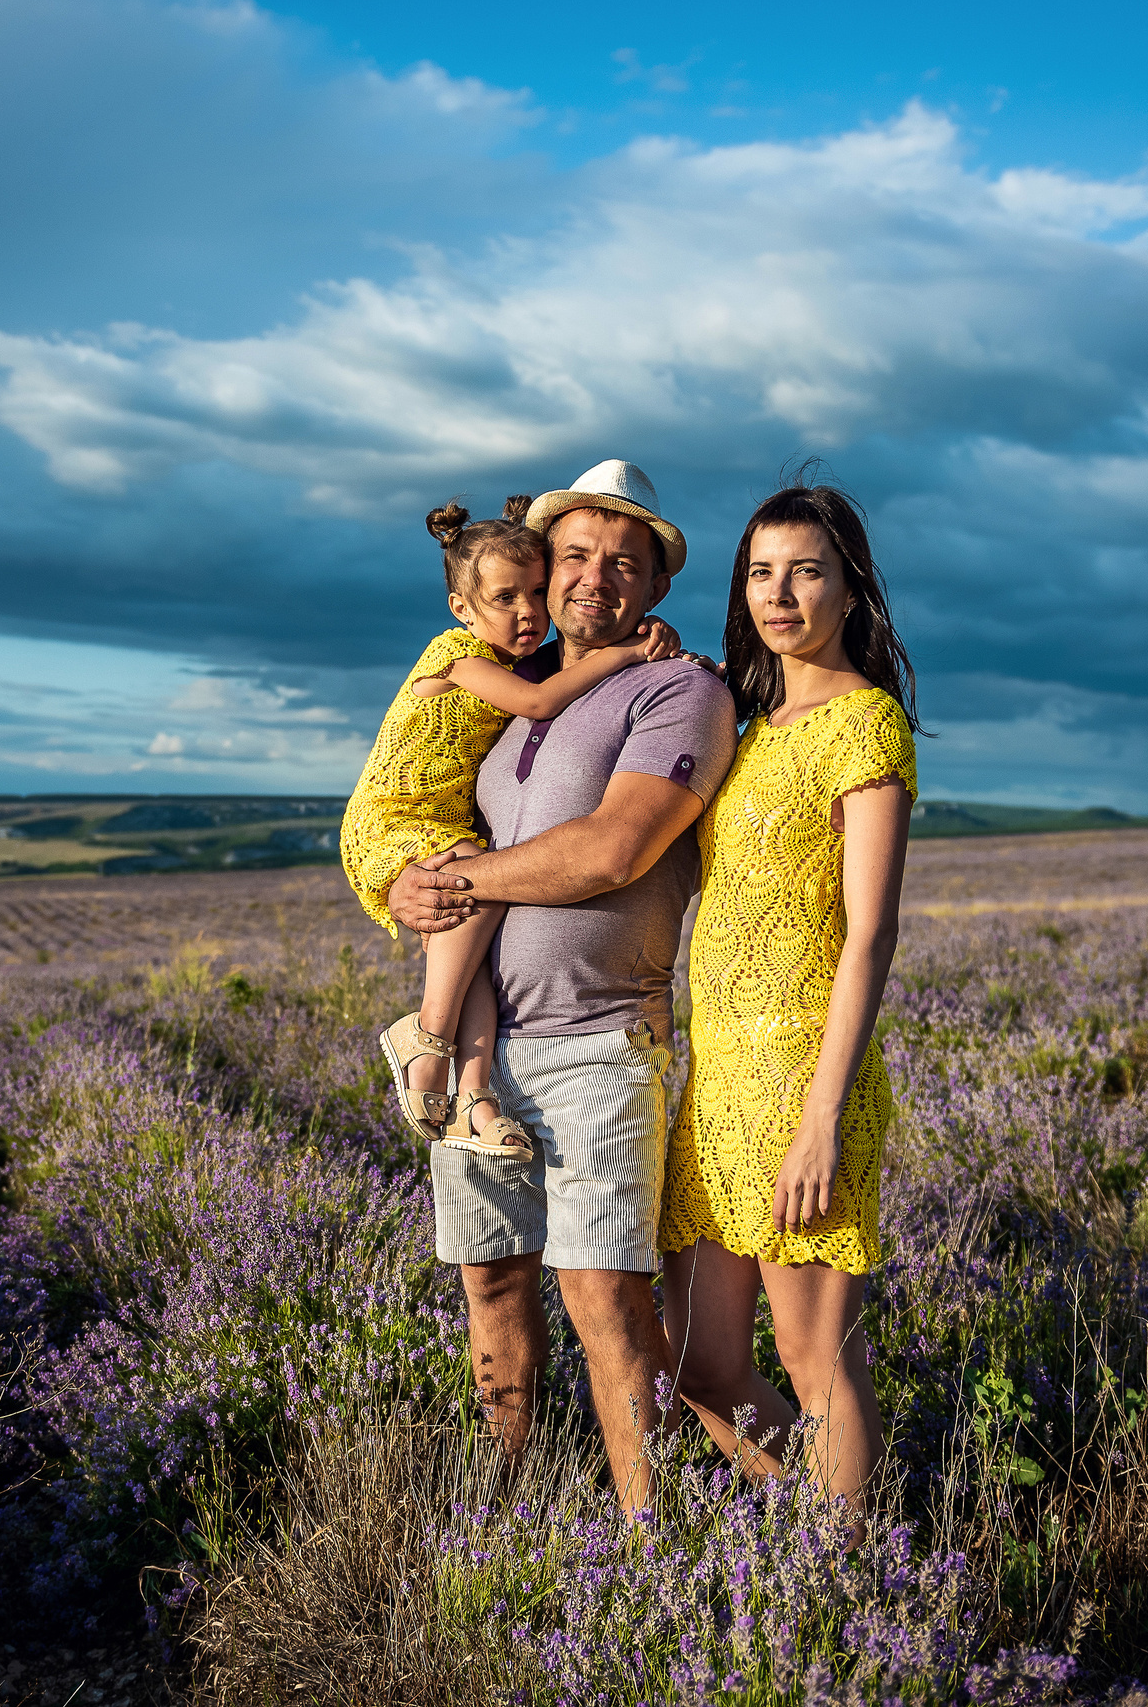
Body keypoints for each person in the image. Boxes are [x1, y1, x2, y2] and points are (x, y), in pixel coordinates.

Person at [389, 459, 737, 1510]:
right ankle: (501, 1499)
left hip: (599, 1043)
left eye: (623, 562)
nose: (595, 576)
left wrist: (447, 879)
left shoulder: (680, 687)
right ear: (543, 570)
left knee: (605, 1301)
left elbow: (609, 851)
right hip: (485, 1054)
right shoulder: (516, 686)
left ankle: (644, 1544)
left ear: (656, 589)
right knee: (490, 1280)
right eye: (576, 554)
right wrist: (408, 884)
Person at [654, 477, 920, 1514]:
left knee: (816, 1363)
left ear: (850, 589)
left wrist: (820, 1120)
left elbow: (870, 933)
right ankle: (814, 1531)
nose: (780, 591)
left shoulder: (864, 723)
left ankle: (854, 1582)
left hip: (802, 1078)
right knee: (701, 1366)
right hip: (715, 1080)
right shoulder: (746, 718)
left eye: (806, 570)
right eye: (760, 571)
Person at [345, 496, 682, 1159]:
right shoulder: (457, 656)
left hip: (438, 821)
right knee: (477, 886)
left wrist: (657, 646)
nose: (528, 612)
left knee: (470, 941)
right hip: (397, 817)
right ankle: (427, 1035)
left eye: (534, 591)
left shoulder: (519, 656)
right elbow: (538, 701)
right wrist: (623, 655)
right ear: (462, 609)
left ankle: (474, 1096)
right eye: (506, 598)